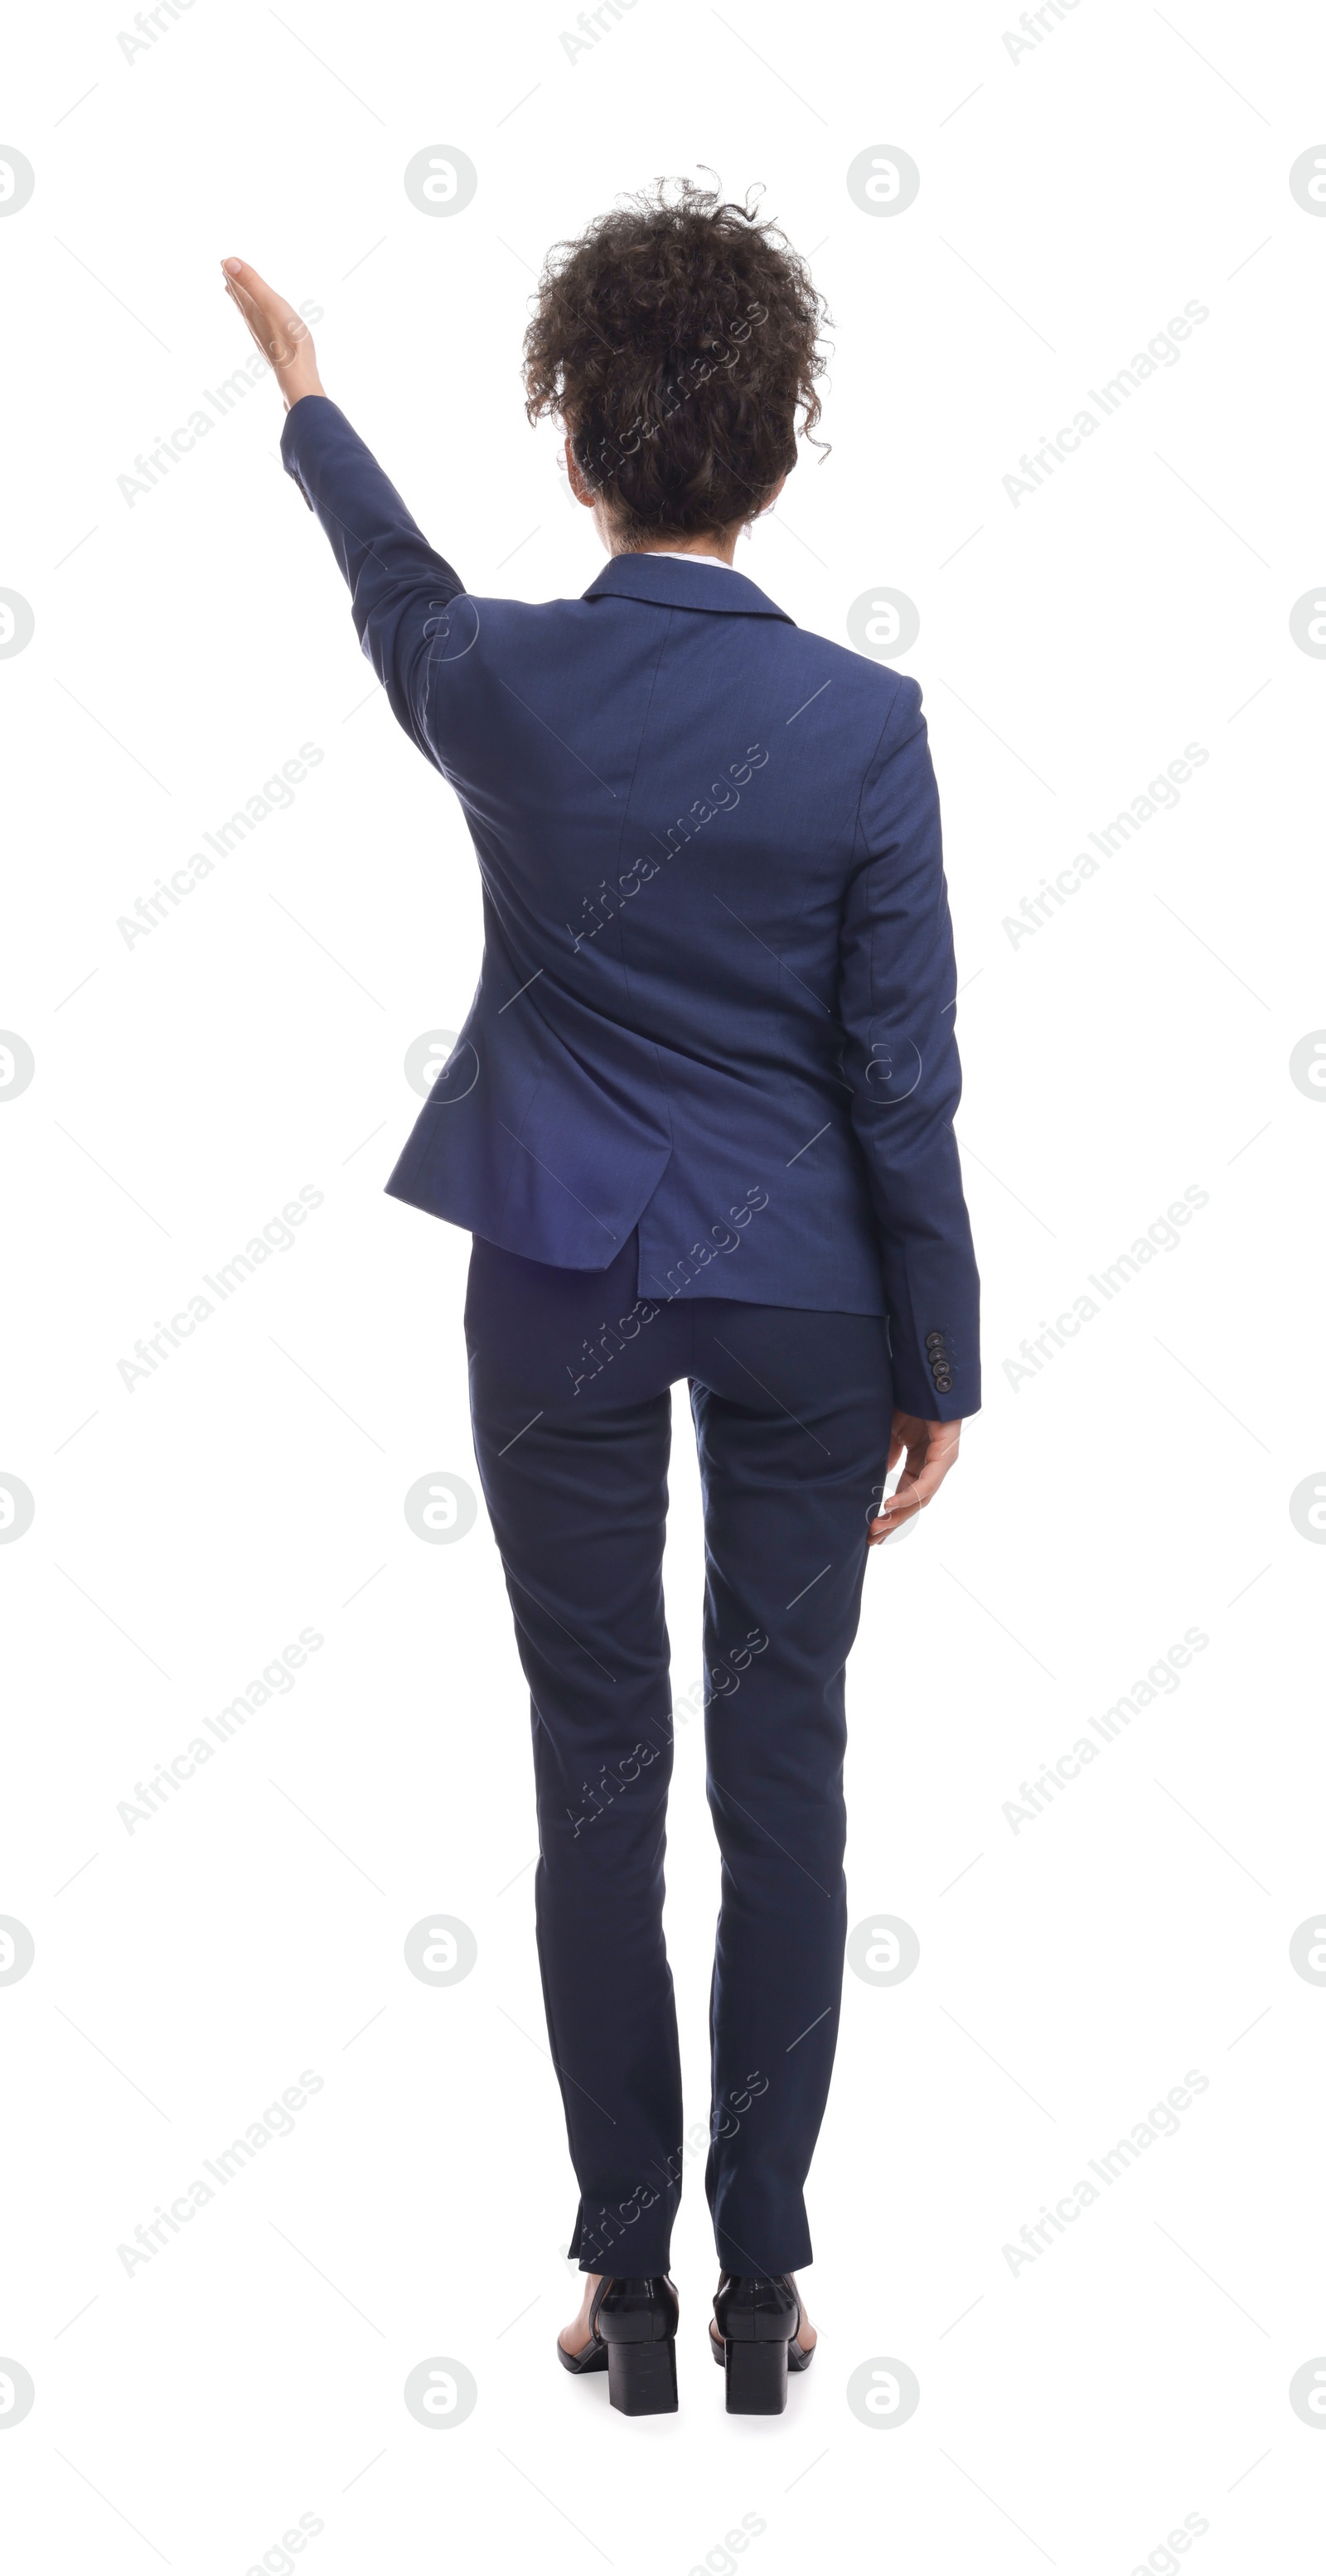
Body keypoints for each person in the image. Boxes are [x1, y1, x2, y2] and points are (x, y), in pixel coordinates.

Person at [221, 177, 980, 2419]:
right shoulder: (867, 724)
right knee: (788, 1780)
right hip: (815, 1301)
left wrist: (313, 402)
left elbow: (395, 596)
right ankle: (768, 2293)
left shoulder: (509, 691)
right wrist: (939, 1351)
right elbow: (904, 1078)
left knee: (598, 1777)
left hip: (562, 1278)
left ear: (574, 443)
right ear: (778, 444)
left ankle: (625, 2289)